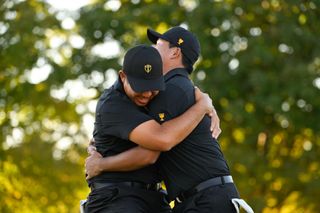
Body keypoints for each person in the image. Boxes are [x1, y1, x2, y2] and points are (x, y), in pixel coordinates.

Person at [86, 27, 254, 213]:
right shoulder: (178, 89)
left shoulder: (172, 90)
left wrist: (100, 164)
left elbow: (159, 144)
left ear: (175, 52)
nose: (147, 93)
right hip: (183, 200)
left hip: (205, 200)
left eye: (158, 44)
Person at [84, 44, 216, 213]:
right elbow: (159, 144)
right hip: (116, 197)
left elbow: (185, 92)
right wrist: (202, 106)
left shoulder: (157, 94)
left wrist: (206, 102)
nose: (146, 94)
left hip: (154, 197)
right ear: (123, 77)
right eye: (139, 87)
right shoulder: (113, 105)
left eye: (152, 87)